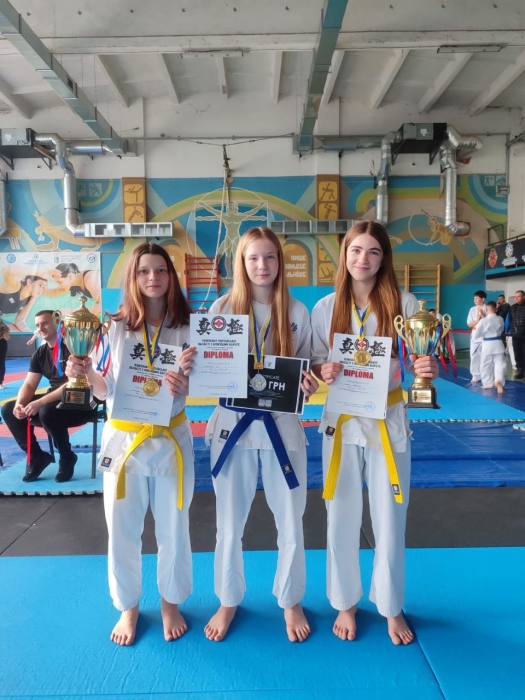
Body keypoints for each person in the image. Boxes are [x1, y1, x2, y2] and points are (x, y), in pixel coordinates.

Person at [310, 220, 438, 646]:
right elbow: (315, 362)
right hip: (342, 420)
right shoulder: (326, 307)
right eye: (355, 250)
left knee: (390, 516)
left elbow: (416, 357)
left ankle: (390, 605)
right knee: (340, 515)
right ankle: (345, 601)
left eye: (373, 252)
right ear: (344, 255)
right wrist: (323, 370)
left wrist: (424, 367)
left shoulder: (405, 302)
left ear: (384, 259)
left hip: (387, 416)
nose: (363, 259)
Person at [192, 226, 318, 643]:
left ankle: (290, 598)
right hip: (233, 425)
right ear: (241, 264)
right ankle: (228, 598)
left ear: (280, 261)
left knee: (291, 521)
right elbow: (207, 369)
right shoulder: (222, 309)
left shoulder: (296, 311)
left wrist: (309, 383)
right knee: (229, 523)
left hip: (282, 425)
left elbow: (307, 367)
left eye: (270, 257)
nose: (262, 265)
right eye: (253, 258)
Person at [65, 243, 195, 647]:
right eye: (144, 271)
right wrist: (85, 371)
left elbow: (204, 381)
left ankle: (171, 601)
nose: (153, 278)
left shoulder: (188, 327)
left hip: (170, 437)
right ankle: (128, 606)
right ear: (133, 278)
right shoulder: (113, 326)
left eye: (160, 270)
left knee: (175, 528)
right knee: (122, 529)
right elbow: (103, 390)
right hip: (124, 441)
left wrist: (187, 384)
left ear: (171, 276)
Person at [1, 309, 98, 482]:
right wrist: (20, 404)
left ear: (57, 324)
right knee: (8, 409)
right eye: (38, 325)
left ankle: (67, 457)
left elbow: (75, 382)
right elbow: (29, 384)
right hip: (54, 402)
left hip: (82, 401)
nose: (41, 328)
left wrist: (40, 403)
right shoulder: (40, 353)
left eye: (45, 323)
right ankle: (36, 456)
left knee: (46, 410)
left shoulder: (74, 347)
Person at [472, 301, 506, 394]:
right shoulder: (500, 319)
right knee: (500, 364)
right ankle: (499, 381)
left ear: (486, 310)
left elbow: (476, 335)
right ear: (496, 309)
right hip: (498, 344)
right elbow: (502, 330)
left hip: (488, 345)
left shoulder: (483, 321)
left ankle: (488, 383)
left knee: (486, 364)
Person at [0, 266, 47, 332]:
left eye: (44, 287)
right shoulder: (16, 286)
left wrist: (30, 334)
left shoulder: (32, 298)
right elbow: (5, 270)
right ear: (29, 282)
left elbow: (20, 321)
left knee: (18, 332)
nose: (42, 290)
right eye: (40, 285)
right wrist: (38, 273)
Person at [466, 291, 487, 384]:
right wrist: (477, 319)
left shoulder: (488, 308)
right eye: (474, 298)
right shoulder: (472, 309)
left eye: (477, 298)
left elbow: (490, 323)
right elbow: (469, 324)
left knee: (485, 357)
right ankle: (475, 375)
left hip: (486, 336)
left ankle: (486, 375)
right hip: (475, 336)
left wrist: (483, 316)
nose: (475, 300)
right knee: (474, 356)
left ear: (483, 299)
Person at [496, 294, 516, 371]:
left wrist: (507, 329)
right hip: (502, 328)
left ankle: (515, 363)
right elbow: (496, 315)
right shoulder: (499, 306)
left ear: (504, 298)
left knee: (510, 346)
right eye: (498, 299)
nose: (499, 300)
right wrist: (497, 307)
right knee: (505, 344)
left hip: (508, 329)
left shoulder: (507, 306)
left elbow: (502, 315)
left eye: (501, 298)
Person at [508, 290, 525, 379]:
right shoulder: (512, 307)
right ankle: (521, 371)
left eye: (518, 296)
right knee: (517, 354)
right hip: (516, 335)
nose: (516, 298)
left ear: (523, 297)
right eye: (515, 297)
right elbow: (511, 320)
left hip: (524, 335)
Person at [0, 317, 9, 389]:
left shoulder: (2, 323)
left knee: (1, 362)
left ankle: (0, 382)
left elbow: (7, 334)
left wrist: (6, 333)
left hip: (1, 342)